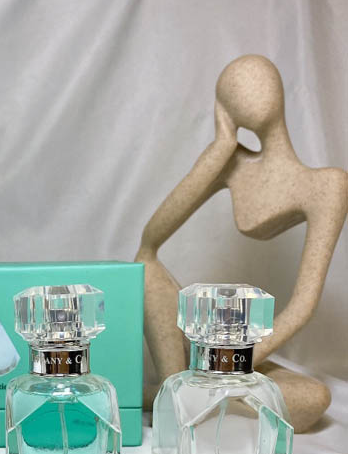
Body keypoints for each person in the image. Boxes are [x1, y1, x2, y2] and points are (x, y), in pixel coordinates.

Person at [135, 54, 346, 432]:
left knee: (314, 398)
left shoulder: (328, 185)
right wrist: (220, 147)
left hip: (233, 351)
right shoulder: (231, 164)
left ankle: (172, 395)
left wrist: (226, 363)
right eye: (235, 89)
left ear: (279, 92)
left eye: (256, 81)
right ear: (224, 109)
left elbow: (302, 307)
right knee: (144, 265)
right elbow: (150, 241)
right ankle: (177, 390)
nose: (249, 92)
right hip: (202, 340)